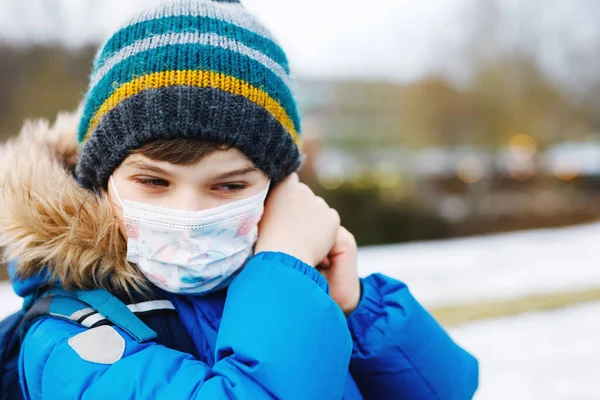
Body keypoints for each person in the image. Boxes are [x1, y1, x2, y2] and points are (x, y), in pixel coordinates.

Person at [0, 0, 478, 399]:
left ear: (279, 191)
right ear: (100, 180)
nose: (188, 216)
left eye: (228, 186)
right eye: (153, 182)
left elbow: (446, 389)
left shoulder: (283, 285)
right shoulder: (70, 335)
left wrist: (356, 308)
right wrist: (285, 267)